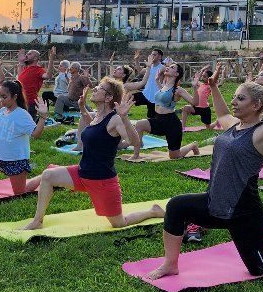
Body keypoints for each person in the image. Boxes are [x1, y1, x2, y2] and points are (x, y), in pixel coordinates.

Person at [146, 65, 263, 280]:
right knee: (177, 206)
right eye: (234, 97)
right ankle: (170, 264)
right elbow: (222, 113)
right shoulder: (234, 125)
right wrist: (213, 87)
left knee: (260, 268)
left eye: (240, 99)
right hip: (215, 204)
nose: (234, 102)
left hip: (244, 213)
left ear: (256, 105)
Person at [20, 78, 165, 230]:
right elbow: (96, 132)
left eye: (100, 88)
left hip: (102, 181)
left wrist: (124, 117)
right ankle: (38, 221)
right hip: (83, 174)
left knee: (119, 223)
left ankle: (152, 211)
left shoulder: (115, 119)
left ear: (108, 98)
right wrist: (82, 108)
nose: (95, 89)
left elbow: (135, 142)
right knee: (48, 175)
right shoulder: (97, 116)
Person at [131, 62, 200, 160]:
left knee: (174, 156)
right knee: (139, 124)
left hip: (171, 124)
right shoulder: (164, 87)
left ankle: (192, 145)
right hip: (159, 120)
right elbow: (163, 94)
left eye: (172, 67)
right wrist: (157, 80)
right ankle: (136, 154)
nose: (168, 68)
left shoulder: (178, 90)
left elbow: (195, 102)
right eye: (168, 66)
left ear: (176, 74)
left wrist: (195, 88)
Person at [16, 47, 55, 119]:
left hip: (31, 102)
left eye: (29, 54)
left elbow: (48, 76)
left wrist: (51, 58)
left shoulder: (39, 70)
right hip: (20, 100)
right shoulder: (25, 68)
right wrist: (21, 62)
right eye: (26, 53)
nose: (26, 55)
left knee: (29, 125)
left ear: (35, 58)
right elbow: (19, 79)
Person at [132, 48, 164, 118]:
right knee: (130, 97)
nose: (152, 56)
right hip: (145, 94)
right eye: (151, 54)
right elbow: (140, 71)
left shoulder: (162, 68)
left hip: (155, 97)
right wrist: (136, 60)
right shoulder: (149, 66)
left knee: (152, 117)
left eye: (154, 55)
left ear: (160, 56)